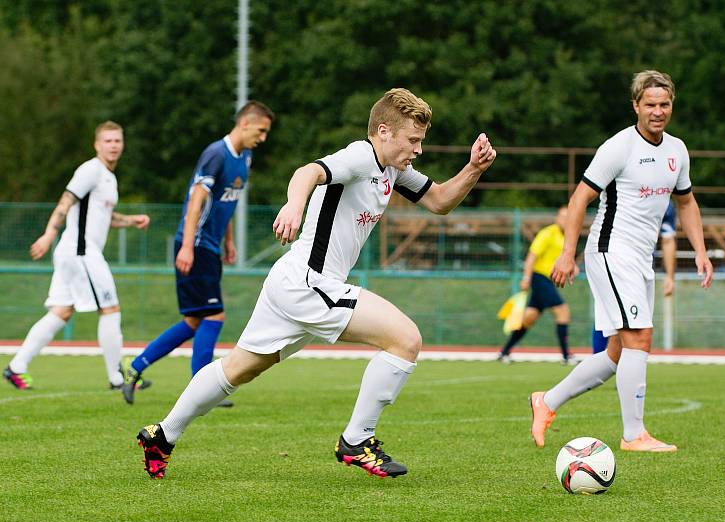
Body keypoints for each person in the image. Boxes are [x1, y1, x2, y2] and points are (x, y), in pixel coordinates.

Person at [134, 88, 496, 479]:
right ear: (385, 130)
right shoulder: (361, 155)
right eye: (413, 140)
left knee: (236, 369)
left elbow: (440, 200)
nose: (418, 149)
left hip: (293, 282)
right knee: (406, 339)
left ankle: (162, 434)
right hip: (310, 282)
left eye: (420, 141)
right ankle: (357, 440)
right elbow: (307, 172)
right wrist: (294, 204)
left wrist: (473, 168)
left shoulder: (393, 170)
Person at [530, 70, 713, 453]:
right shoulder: (618, 147)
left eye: (664, 104)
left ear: (671, 106)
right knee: (639, 337)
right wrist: (567, 253)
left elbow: (686, 202)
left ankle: (546, 401)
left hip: (640, 260)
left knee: (617, 352)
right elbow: (579, 199)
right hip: (611, 251)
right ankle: (634, 435)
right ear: (636, 106)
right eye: (650, 104)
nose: (658, 111)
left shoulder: (677, 151)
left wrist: (700, 250)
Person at [120, 101, 275, 407]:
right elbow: (197, 200)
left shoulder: (245, 158)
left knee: (193, 321)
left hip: (210, 246)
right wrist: (188, 245)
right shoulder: (216, 154)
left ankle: (134, 367)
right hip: (196, 245)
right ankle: (202, 387)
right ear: (245, 123)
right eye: (261, 130)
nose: (263, 137)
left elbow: (225, 203)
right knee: (214, 315)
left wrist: (228, 240)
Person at [3, 122, 150, 390]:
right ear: (97, 145)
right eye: (107, 141)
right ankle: (118, 378)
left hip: (71, 253)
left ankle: (16, 367)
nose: (113, 145)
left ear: (122, 144)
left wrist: (131, 220)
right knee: (110, 309)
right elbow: (65, 202)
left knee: (61, 312)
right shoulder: (91, 170)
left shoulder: (109, 177)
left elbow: (104, 217)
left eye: (117, 140)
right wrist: (49, 234)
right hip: (81, 252)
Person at [592, 201, 676, 353]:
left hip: (642, 269)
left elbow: (668, 239)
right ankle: (598, 362)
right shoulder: (623, 192)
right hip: (615, 262)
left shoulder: (665, 202)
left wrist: (670, 276)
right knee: (620, 327)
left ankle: (597, 369)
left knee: (634, 333)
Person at [497, 206, 574, 364]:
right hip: (540, 278)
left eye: (568, 217)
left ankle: (504, 352)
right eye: (562, 217)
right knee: (562, 311)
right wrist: (526, 278)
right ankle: (566, 356)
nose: (564, 220)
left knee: (528, 318)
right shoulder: (548, 233)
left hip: (548, 280)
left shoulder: (565, 236)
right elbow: (531, 257)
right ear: (556, 218)